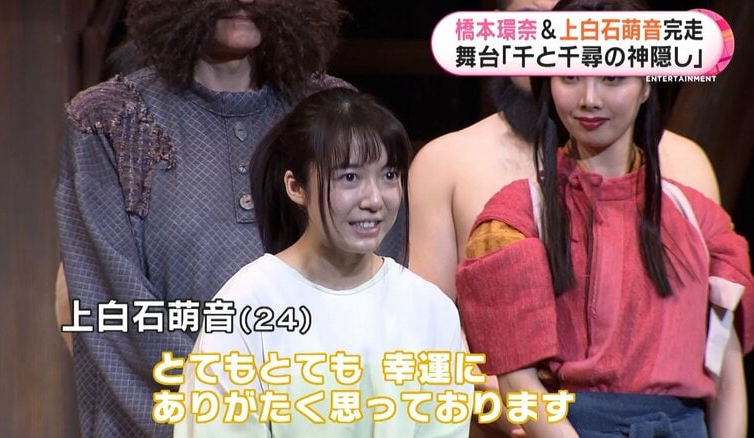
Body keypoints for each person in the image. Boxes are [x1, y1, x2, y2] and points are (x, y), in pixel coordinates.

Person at [456, 0, 753, 436]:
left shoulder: (699, 218)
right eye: (570, 76)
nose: (589, 98)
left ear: (646, 84)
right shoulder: (514, 218)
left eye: (612, 76)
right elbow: (518, 383)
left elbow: (727, 378)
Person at [55, 0, 350, 436]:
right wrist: (231, 412)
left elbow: (373, 285)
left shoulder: (337, 113)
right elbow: (113, 309)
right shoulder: (108, 121)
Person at [174, 88, 472, 437]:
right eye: (350, 177)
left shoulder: (431, 309)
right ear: (295, 187)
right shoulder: (247, 304)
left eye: (389, 175)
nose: (374, 199)